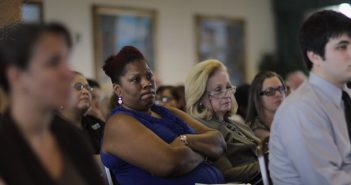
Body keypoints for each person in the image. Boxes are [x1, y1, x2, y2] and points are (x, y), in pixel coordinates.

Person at [100, 46, 226, 185]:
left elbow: (219, 141)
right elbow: (170, 164)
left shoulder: (167, 111)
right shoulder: (119, 123)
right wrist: (206, 152)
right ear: (118, 90)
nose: (147, 83)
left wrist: (185, 141)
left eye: (148, 76)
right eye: (136, 79)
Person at [0, 23, 104, 185]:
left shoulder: (69, 134)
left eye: (65, 61)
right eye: (53, 63)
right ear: (17, 76)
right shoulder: (6, 142)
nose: (68, 74)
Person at [269, 10, 351, 185]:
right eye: (342, 47)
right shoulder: (302, 108)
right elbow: (325, 181)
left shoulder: (344, 95)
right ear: (314, 56)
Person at [185, 59, 261, 184]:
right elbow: (226, 174)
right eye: (218, 90)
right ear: (199, 96)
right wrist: (268, 165)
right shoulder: (202, 130)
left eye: (228, 87)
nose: (227, 94)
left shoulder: (236, 123)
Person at [59, 72, 104, 154]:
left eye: (87, 87)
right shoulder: (49, 129)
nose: (85, 91)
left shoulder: (99, 125)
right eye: (78, 87)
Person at [246, 71, 287, 139]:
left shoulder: (290, 118)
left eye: (281, 89)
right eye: (270, 91)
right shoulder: (255, 129)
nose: (278, 94)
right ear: (258, 97)